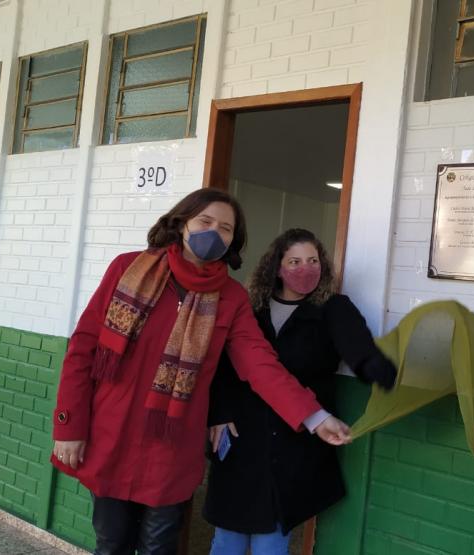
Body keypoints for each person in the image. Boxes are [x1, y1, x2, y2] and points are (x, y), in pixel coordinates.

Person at [50, 190, 351, 555]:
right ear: (182, 224)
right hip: (113, 435)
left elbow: (260, 364)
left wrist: (315, 416)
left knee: (160, 547)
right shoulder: (127, 269)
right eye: (205, 222)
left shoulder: (231, 298)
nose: (214, 232)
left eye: (226, 228)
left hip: (172, 448)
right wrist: (69, 426)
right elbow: (82, 350)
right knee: (112, 543)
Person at [203, 228, 397, 555]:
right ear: (277, 267)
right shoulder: (251, 309)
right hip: (242, 435)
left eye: (312, 261)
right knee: (227, 538)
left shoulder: (333, 308)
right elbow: (223, 367)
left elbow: (357, 347)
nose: (305, 269)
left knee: (270, 540)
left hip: (294, 438)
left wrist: (375, 367)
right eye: (294, 262)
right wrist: (219, 414)